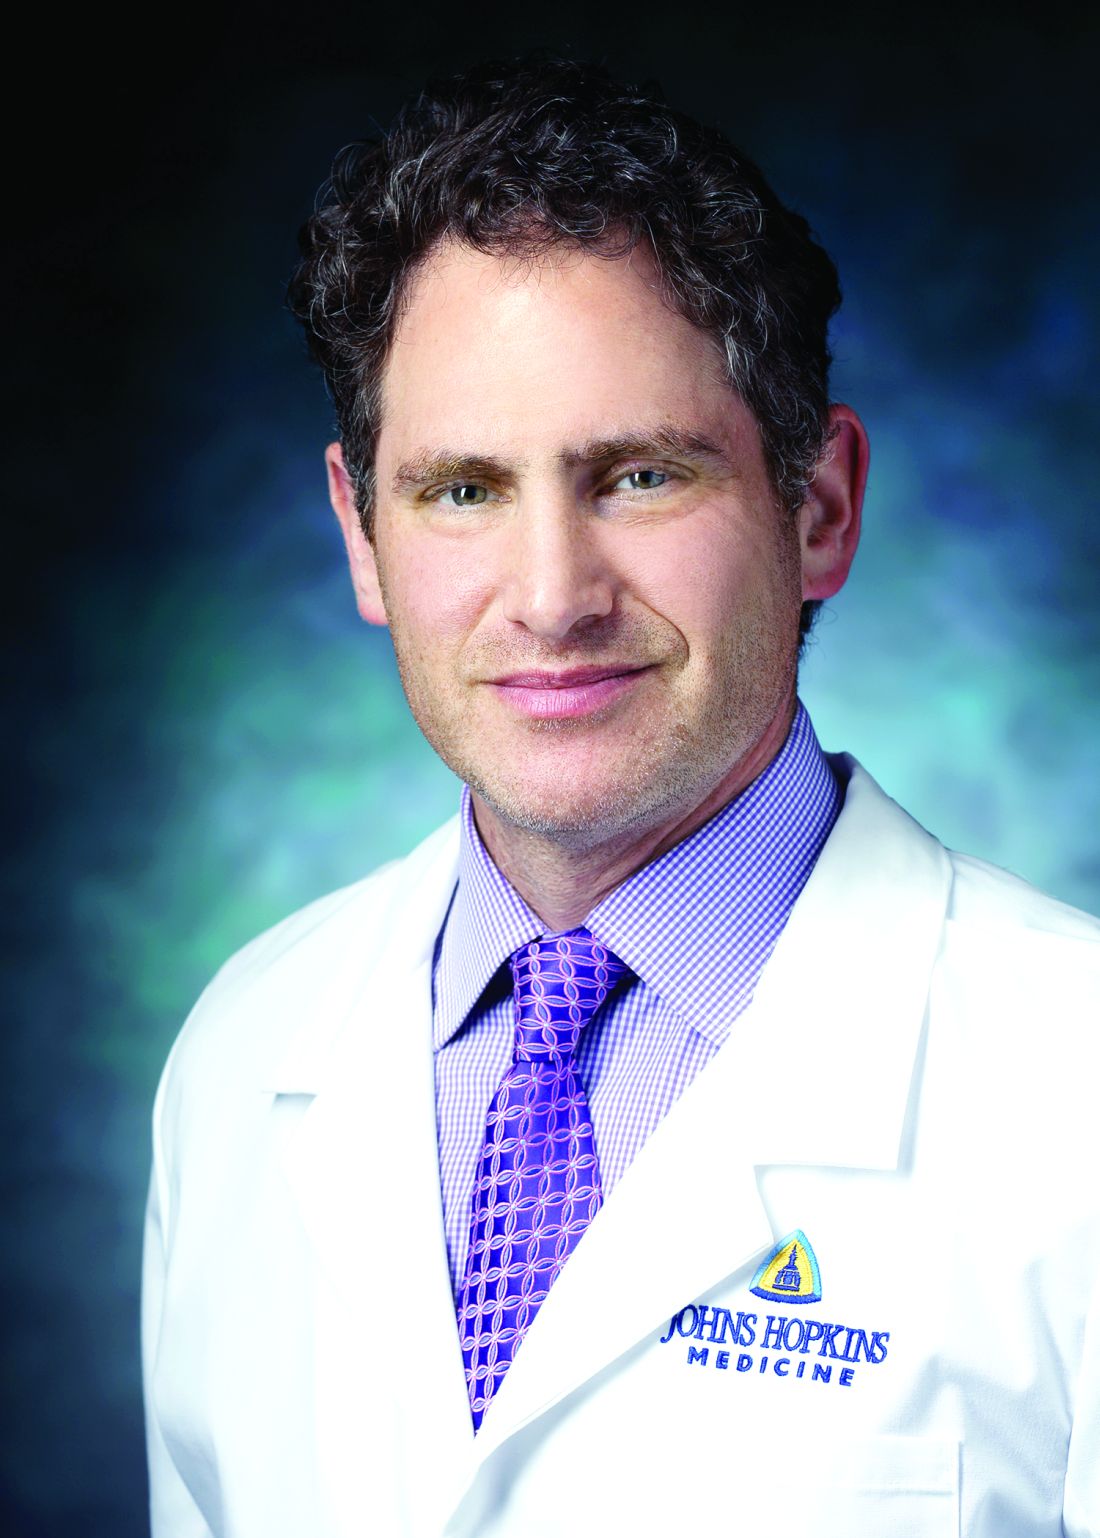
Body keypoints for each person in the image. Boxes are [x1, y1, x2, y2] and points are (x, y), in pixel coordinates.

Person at [141, 53, 1100, 1538]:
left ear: (820, 506)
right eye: (463, 490)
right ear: (362, 536)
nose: (551, 597)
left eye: (642, 476)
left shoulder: (1068, 1084)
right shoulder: (241, 1055)